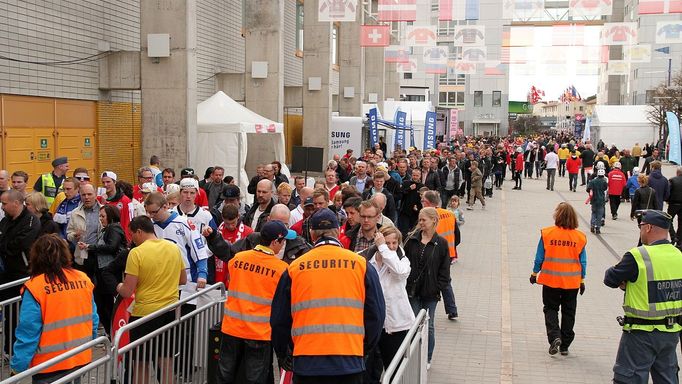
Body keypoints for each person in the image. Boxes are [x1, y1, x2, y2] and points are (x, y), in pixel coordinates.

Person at [270, 208, 385, 383]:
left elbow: (279, 320)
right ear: (338, 232)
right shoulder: (361, 266)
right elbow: (376, 314)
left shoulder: (294, 268)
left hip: (307, 361)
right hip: (349, 359)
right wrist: (364, 348)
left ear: (312, 234)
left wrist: (283, 353)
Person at [604, 210, 682, 384]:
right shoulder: (679, 255)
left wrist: (627, 283)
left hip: (640, 334)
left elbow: (610, 278)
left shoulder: (638, 255)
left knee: (630, 378)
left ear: (648, 228)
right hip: (670, 333)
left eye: (640, 227)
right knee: (667, 379)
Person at [10, 234, 98, 383]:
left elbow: (28, 332)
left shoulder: (35, 287)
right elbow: (93, 319)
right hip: (79, 357)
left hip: (49, 365)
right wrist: (90, 344)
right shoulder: (82, 278)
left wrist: (17, 368)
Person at [217, 221, 292, 384]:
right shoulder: (281, 269)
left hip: (232, 328)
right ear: (275, 242)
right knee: (255, 379)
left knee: (225, 375)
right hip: (259, 333)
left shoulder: (238, 259)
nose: (284, 244)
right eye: (283, 241)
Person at [117, 216, 186, 384]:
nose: (131, 239)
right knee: (166, 362)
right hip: (169, 312)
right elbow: (182, 280)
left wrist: (118, 286)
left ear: (139, 232)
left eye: (132, 234)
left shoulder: (136, 253)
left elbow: (127, 291)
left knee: (141, 364)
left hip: (144, 315)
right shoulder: (173, 248)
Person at [529, 202, 587, 356]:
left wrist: (535, 273)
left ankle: (555, 336)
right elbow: (583, 262)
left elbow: (539, 256)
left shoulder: (547, 233)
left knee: (551, 308)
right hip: (572, 282)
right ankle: (565, 345)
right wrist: (582, 280)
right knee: (569, 311)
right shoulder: (580, 237)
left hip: (551, 280)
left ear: (557, 216)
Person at [360, 227, 414, 371]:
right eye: (387, 243)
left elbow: (399, 272)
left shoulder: (402, 261)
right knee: (369, 371)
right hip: (371, 326)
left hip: (396, 326)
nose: (391, 247)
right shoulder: (364, 260)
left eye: (394, 243)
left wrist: (383, 247)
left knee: (394, 370)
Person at [403, 207, 450, 368]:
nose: (420, 223)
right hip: (412, 290)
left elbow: (445, 271)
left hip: (431, 292)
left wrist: (438, 287)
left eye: (424, 220)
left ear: (433, 221)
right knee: (413, 323)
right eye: (419, 219)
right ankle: (413, 356)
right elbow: (403, 262)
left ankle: (428, 357)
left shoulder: (441, 243)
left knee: (428, 325)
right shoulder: (411, 239)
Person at [0, 189, 42, 354]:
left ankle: (21, 351)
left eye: (4, 204)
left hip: (24, 275)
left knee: (23, 315)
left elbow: (19, 245)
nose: (2, 207)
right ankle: (9, 350)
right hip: (6, 274)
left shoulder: (31, 221)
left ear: (15, 203)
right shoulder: (6, 221)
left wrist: (5, 245)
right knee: (9, 315)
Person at [144, 192, 208, 295]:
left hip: (187, 280)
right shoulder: (150, 225)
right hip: (162, 280)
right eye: (147, 212)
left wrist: (202, 274)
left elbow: (199, 250)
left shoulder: (183, 223)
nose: (150, 216)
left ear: (165, 207)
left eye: (154, 212)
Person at [77, 205, 125, 336]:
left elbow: (112, 246)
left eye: (103, 216)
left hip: (109, 272)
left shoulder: (114, 228)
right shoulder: (106, 229)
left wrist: (90, 247)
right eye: (100, 216)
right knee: (101, 304)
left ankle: (112, 334)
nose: (101, 219)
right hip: (102, 271)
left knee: (107, 305)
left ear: (110, 216)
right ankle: (110, 333)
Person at [420, 191, 460, 319]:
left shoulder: (428, 217)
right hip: (448, 252)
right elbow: (457, 236)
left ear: (428, 203)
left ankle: (425, 307)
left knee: (432, 278)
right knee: (445, 280)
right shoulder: (450, 214)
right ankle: (452, 309)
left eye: (422, 201)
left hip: (432, 252)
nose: (421, 203)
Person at [67, 184, 102, 268]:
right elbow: (69, 234)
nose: (86, 197)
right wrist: (74, 235)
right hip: (82, 256)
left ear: (95, 194)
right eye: (83, 195)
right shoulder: (75, 213)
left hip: (100, 255)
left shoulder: (104, 211)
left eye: (89, 194)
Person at [98, 171, 132, 240]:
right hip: (103, 238)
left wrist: (127, 241)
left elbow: (128, 222)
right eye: (103, 182)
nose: (105, 185)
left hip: (119, 239)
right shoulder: (99, 199)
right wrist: (102, 204)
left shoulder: (125, 201)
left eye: (108, 182)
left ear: (115, 182)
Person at [587, 168, 608, 234]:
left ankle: (592, 225)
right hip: (601, 200)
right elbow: (605, 189)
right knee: (600, 214)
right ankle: (598, 228)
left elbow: (588, 189)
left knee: (593, 213)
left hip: (594, 200)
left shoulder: (593, 181)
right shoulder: (604, 181)